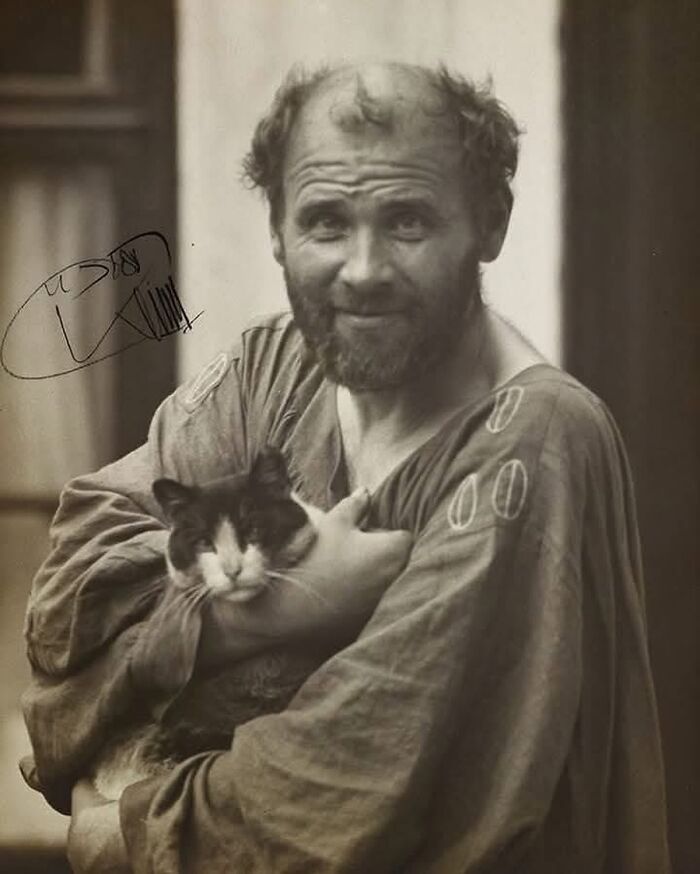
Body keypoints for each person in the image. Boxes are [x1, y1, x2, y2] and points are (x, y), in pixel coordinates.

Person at [21, 62, 670, 873]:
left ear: (490, 224)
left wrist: (113, 831)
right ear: (278, 232)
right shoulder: (272, 366)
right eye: (325, 222)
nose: (362, 270)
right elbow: (65, 611)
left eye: (407, 222)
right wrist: (283, 613)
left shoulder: (533, 440)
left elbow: (341, 782)